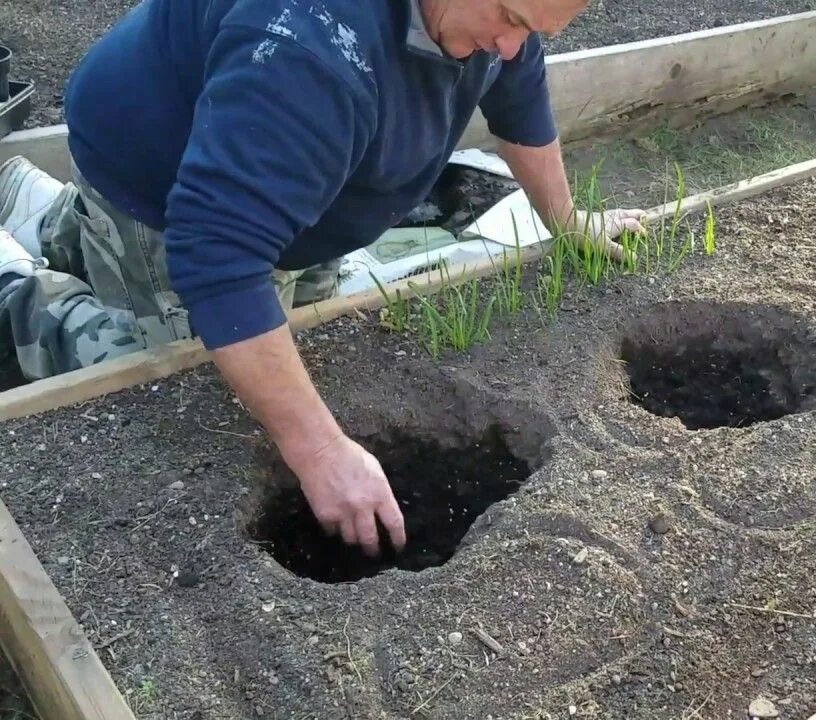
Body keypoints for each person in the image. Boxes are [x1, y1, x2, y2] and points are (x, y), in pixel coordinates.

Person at [0, 0, 646, 558]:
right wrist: (318, 452)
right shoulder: (311, 48)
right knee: (191, 381)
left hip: (281, 176)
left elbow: (519, 95)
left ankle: (32, 201)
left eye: (532, 29)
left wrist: (569, 224)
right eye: (509, 17)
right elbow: (219, 259)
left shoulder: (488, 26)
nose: (511, 44)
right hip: (155, 177)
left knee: (281, 344)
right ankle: (20, 293)